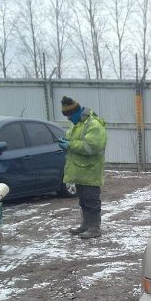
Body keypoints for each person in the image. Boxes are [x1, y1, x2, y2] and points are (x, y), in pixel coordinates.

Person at [59, 95, 108, 239]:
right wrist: (65, 142)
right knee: (83, 200)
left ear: (77, 112)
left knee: (91, 200)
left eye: (69, 115)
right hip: (80, 170)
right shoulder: (77, 124)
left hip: (90, 171)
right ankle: (86, 225)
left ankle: (94, 228)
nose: (68, 119)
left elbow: (92, 146)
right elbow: (73, 141)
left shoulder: (93, 124)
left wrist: (70, 145)